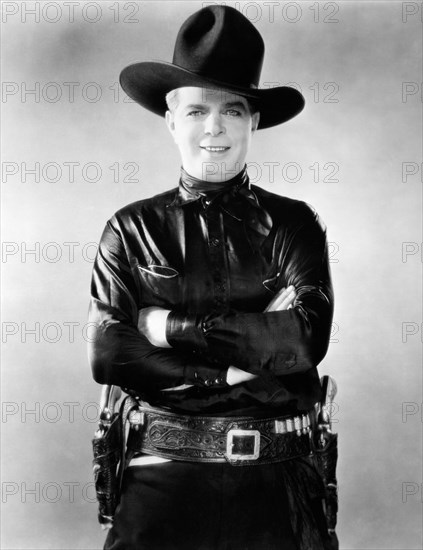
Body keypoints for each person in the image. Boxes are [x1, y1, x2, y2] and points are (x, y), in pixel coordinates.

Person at [88, 5, 336, 550]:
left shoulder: (295, 224)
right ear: (172, 119)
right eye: (198, 110)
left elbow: (302, 339)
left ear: (255, 120)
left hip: (279, 482)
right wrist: (227, 371)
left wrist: (169, 325)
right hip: (160, 479)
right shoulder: (130, 228)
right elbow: (111, 354)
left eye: (233, 109)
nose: (215, 128)